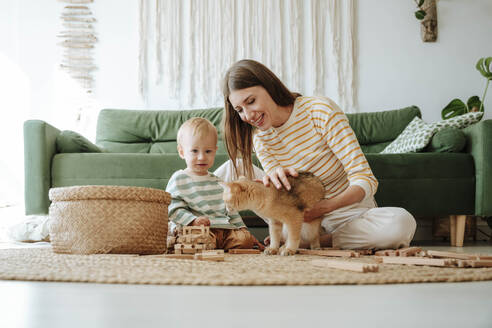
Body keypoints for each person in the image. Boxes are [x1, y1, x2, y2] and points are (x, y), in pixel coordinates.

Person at [220, 59, 416, 250]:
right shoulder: (261, 138)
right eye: (240, 110)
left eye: (251, 101)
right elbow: (281, 198)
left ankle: (321, 241)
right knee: (231, 168)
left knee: (400, 223)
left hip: (346, 213)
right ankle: (203, 228)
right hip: (300, 216)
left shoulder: (319, 111)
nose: (248, 115)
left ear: (269, 86)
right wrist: (273, 186)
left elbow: (366, 179)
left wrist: (324, 207)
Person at [166, 117, 262, 250]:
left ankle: (217, 244)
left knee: (245, 241)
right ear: (182, 152)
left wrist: (243, 229)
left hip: (224, 229)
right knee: (199, 239)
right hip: (197, 228)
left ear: (215, 151)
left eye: (208, 151)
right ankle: (200, 242)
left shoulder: (218, 182)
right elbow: (172, 208)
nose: (202, 157)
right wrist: (192, 220)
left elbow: (231, 210)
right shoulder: (179, 178)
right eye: (194, 151)